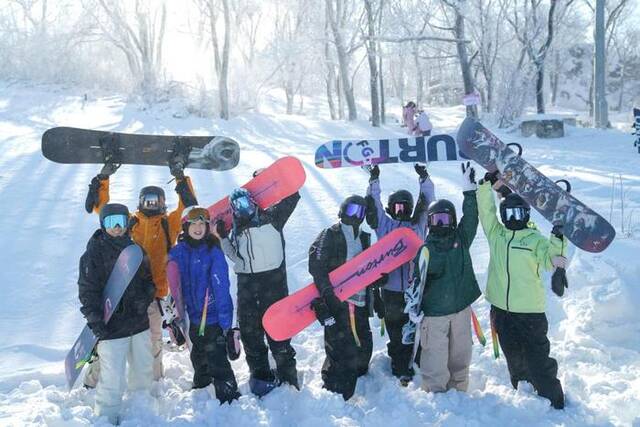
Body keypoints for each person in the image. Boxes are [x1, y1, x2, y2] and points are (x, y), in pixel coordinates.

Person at [83, 161, 197, 386]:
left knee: (153, 340)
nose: (152, 205)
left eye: (156, 201)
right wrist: (104, 178)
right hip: (121, 291)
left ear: (163, 203)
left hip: (153, 293)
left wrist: (180, 176)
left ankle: (154, 380)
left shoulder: (169, 224)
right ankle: (92, 381)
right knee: (107, 340)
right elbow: (104, 209)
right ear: (140, 202)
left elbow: (186, 204)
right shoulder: (130, 221)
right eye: (148, 200)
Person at [477, 171, 567, 409]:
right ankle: (524, 396)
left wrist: (558, 238)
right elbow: (486, 213)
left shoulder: (534, 239)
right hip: (501, 311)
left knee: (538, 361)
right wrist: (486, 187)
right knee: (514, 357)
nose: (513, 218)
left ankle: (554, 401)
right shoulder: (496, 235)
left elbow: (551, 258)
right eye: (508, 213)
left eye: (518, 213)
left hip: (529, 312)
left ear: (526, 215)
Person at [215, 181, 300, 397]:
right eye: (237, 206)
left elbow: (292, 197)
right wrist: (223, 238)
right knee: (250, 333)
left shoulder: (273, 217)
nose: (242, 209)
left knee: (278, 332)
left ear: (253, 202)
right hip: (247, 283)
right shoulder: (237, 231)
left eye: (245, 202)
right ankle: (261, 376)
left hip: (273, 281)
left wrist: (271, 180)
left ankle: (288, 377)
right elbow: (236, 258)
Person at [78, 203, 155, 424]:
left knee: (143, 369)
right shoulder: (92, 255)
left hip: (138, 323)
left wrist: (146, 297)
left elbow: (148, 281)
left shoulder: (136, 250)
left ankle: (140, 410)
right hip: (111, 328)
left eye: (121, 221)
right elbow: (87, 291)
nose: (118, 227)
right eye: (112, 222)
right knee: (112, 377)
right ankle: (106, 416)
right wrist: (95, 321)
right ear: (103, 224)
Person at [408, 162, 481, 393]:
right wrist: (412, 305)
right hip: (435, 315)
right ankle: (435, 393)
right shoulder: (426, 250)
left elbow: (471, 217)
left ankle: (459, 389)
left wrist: (469, 191)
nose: (441, 225)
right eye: (437, 220)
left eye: (445, 220)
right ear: (429, 222)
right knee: (435, 358)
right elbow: (416, 283)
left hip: (460, 309)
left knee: (461, 354)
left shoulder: (461, 240)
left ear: (453, 221)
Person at [308, 195, 384, 400]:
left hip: (359, 302)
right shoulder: (331, 234)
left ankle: (358, 373)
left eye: (360, 212)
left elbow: (367, 269)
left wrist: (376, 288)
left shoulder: (364, 237)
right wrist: (327, 294)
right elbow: (317, 266)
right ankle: (334, 385)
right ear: (342, 210)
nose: (355, 216)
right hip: (338, 301)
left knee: (363, 346)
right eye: (351, 210)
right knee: (341, 347)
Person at [365, 163, 435, 385]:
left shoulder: (419, 225)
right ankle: (398, 364)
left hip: (415, 290)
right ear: (390, 209)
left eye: (405, 208)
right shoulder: (385, 226)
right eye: (396, 208)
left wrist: (424, 176)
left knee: (416, 328)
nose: (401, 212)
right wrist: (374, 180)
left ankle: (417, 362)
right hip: (392, 290)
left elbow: (427, 199)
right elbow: (373, 205)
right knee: (396, 329)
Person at [167, 206, 240, 404]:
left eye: (202, 224)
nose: (198, 228)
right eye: (194, 224)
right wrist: (177, 318)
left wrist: (227, 325)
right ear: (185, 226)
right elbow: (174, 289)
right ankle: (201, 390)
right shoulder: (178, 253)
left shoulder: (213, 251)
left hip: (213, 318)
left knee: (217, 359)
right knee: (198, 357)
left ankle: (229, 398)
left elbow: (222, 287)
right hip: (193, 319)